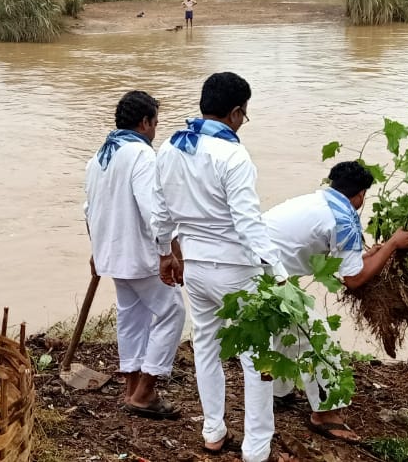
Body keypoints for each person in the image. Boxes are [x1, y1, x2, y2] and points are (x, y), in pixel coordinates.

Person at [153, 72, 291, 462]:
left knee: (206, 347)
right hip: (236, 269)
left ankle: (213, 430)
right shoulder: (233, 155)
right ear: (235, 113)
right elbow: (248, 224)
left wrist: (165, 253)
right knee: (258, 357)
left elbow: (160, 213)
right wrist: (279, 271)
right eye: (244, 114)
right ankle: (256, 447)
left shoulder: (170, 148)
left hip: (195, 267)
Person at [264, 161, 408, 443]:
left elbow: (339, 259)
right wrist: (392, 245)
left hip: (252, 262)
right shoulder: (345, 220)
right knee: (318, 336)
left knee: (287, 328)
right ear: (361, 194)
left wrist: (371, 254)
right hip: (268, 273)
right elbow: (354, 279)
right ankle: (325, 414)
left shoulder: (320, 201)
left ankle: (276, 391)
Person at [84, 91, 185, 420]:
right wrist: (167, 252)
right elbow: (153, 210)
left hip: (113, 255)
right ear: (145, 122)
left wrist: (96, 249)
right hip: (139, 256)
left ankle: (132, 388)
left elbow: (89, 210)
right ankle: (145, 392)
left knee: (132, 317)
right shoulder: (141, 154)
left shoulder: (99, 157)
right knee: (172, 312)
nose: (155, 130)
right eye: (155, 122)